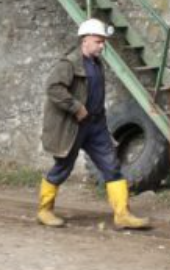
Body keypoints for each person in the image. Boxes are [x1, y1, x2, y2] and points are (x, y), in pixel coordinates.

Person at [37, 18, 150, 229]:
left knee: (111, 166)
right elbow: (53, 88)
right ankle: (44, 210)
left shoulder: (97, 64)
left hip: (96, 126)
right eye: (98, 41)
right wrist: (76, 107)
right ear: (85, 40)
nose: (101, 46)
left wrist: (103, 126)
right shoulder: (69, 64)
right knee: (63, 167)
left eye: (103, 42)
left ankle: (122, 215)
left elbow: (96, 96)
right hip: (73, 126)